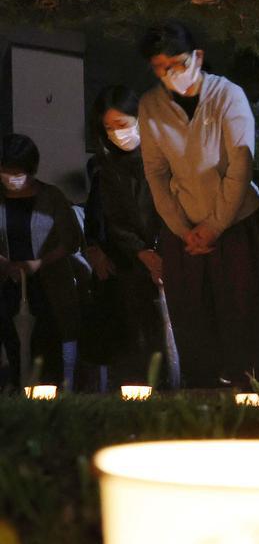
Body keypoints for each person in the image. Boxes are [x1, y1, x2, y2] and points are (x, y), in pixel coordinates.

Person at [138, 21, 259, 388]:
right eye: (161, 68)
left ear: (197, 57)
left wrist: (215, 225)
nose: (171, 74)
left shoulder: (228, 96)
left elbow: (240, 166)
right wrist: (182, 230)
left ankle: (251, 401)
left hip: (236, 222)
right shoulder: (151, 106)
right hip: (184, 231)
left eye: (178, 63)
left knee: (242, 318)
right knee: (192, 321)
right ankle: (199, 404)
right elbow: (156, 173)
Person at [84, 85, 169, 386]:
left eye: (122, 125)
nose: (116, 134)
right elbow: (112, 219)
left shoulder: (164, 155)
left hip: (169, 256)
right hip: (130, 265)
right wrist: (141, 253)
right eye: (109, 128)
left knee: (171, 339)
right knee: (136, 342)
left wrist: (161, 252)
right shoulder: (107, 169)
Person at [0, 134, 82, 389]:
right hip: (7, 286)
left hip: (49, 288)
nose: (11, 178)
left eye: (18, 173)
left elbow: (71, 239)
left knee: (47, 353)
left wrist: (39, 263)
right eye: (6, 172)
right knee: (15, 351)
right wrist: (6, 263)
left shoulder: (51, 197)